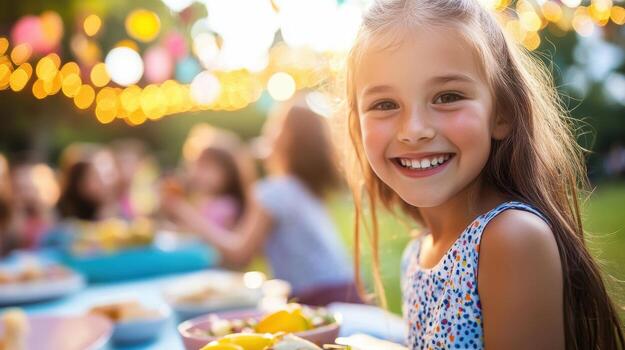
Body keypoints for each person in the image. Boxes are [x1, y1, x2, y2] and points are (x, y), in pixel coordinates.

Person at [340, 0, 625, 348]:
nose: (413, 130)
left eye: (447, 96)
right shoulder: (417, 254)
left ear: (501, 113)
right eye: (385, 104)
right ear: (357, 125)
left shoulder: (511, 240)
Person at [162, 101, 359, 305]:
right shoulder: (303, 188)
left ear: (285, 139)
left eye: (274, 126)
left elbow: (239, 254)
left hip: (320, 300)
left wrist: (183, 212)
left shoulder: (274, 192)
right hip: (348, 292)